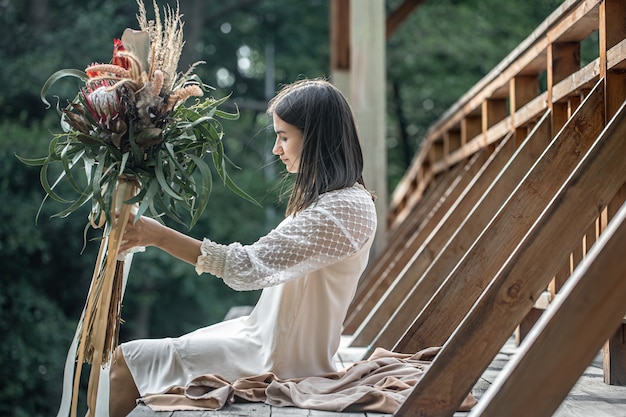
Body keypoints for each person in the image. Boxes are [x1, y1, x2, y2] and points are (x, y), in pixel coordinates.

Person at [109, 78, 378, 417]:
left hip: (278, 359)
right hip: (262, 337)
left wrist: (158, 236)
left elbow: (246, 268)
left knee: (126, 361)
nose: (275, 150)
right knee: (134, 361)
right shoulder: (333, 202)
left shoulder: (343, 209)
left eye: (283, 137)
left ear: (316, 137)